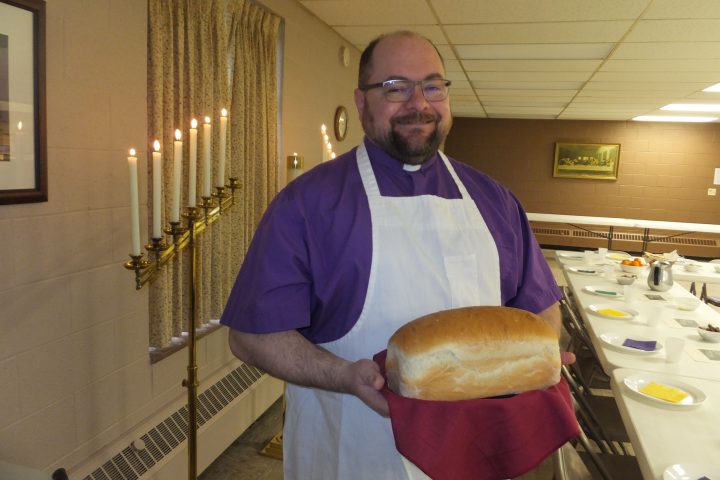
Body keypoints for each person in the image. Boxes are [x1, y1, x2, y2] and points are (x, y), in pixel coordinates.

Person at [221, 30, 570, 480]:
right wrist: (345, 375)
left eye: (432, 86)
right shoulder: (307, 205)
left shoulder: (496, 202)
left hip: (475, 455)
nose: (418, 103)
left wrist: (531, 368)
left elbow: (542, 312)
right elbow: (251, 336)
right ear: (362, 102)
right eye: (395, 88)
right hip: (352, 450)